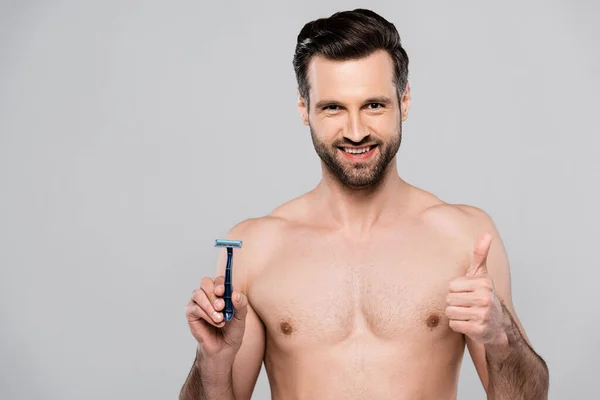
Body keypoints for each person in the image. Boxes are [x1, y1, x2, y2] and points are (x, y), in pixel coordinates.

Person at [180, 8, 549, 400]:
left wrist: (499, 335)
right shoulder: (255, 248)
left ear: (403, 101)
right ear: (305, 109)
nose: (356, 132)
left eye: (374, 105)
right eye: (333, 107)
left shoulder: (465, 237)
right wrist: (212, 361)